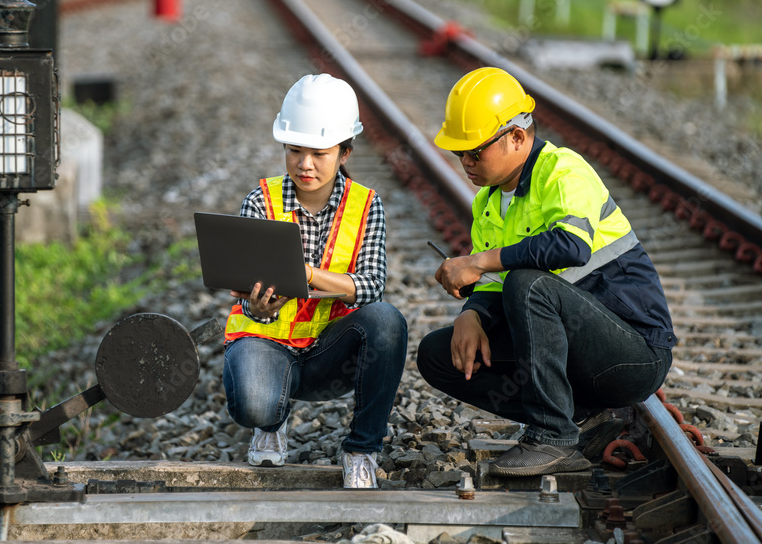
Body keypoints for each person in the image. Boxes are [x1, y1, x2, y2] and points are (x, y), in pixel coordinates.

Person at [417, 67, 676, 477]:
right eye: (458, 153)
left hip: (632, 355)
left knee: (527, 282)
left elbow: (570, 246)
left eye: (475, 151)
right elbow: (496, 284)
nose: (465, 162)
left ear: (517, 137)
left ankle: (552, 436)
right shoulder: (487, 202)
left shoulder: (563, 171)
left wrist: (478, 261)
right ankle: (580, 420)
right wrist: (472, 314)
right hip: (578, 361)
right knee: (437, 354)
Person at [222, 73, 408, 489]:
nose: (304, 164)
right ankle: (271, 421)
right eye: (294, 151)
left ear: (345, 152)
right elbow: (247, 292)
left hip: (329, 353)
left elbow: (373, 284)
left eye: (318, 153)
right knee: (255, 405)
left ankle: (361, 451)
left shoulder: (367, 206)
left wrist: (309, 275)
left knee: (387, 321)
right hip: (268, 341)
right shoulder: (260, 201)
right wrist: (258, 307)